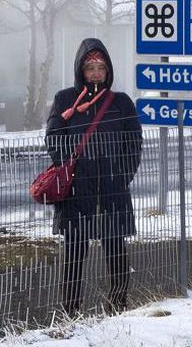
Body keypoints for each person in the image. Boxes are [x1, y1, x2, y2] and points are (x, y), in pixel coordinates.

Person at [45, 38, 143, 316]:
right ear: (80, 69)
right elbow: (53, 136)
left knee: (116, 250)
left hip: (112, 190)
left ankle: (118, 305)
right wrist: (68, 171)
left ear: (108, 69)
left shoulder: (121, 103)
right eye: (90, 67)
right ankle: (71, 309)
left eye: (101, 67)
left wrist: (122, 176)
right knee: (75, 252)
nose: (96, 72)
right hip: (77, 191)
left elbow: (133, 143)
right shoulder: (65, 100)